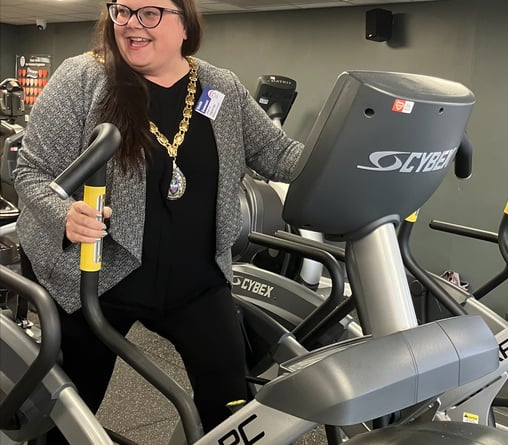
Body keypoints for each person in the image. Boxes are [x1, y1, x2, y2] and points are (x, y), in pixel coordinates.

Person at [13, 0, 303, 441]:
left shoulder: (219, 87)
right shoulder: (84, 77)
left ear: (185, 23)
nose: (132, 24)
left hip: (198, 281)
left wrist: (351, 160)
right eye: (122, 11)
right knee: (70, 415)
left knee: (232, 412)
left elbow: (281, 155)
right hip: (98, 281)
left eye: (150, 12)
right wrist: (64, 215)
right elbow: (30, 171)